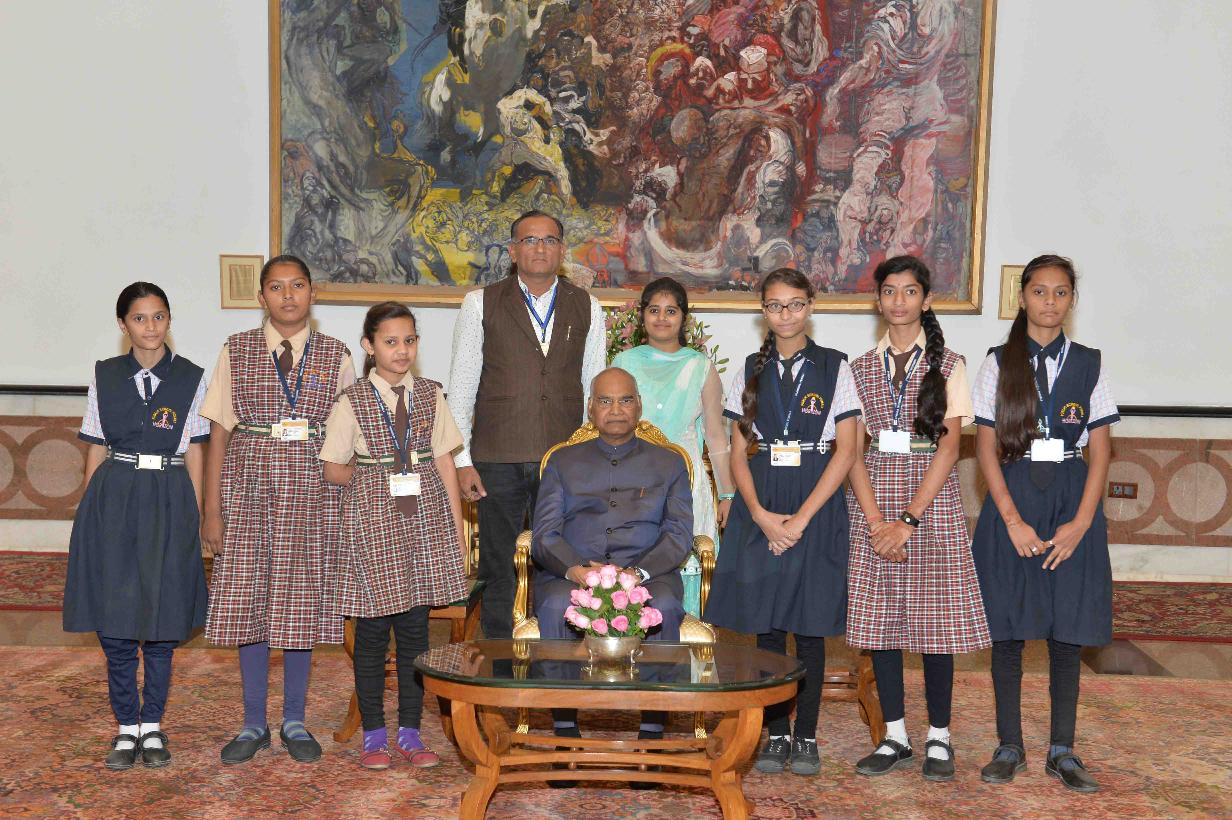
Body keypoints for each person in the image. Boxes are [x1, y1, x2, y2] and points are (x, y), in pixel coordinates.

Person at [200, 254, 356, 765]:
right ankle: (252, 722)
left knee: (299, 601)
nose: (288, 296)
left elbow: (347, 437)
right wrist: (212, 509)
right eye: (276, 287)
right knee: (249, 600)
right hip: (248, 489)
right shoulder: (237, 349)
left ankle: (294, 720)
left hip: (313, 495)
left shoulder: (336, 354)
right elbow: (218, 431)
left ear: (313, 292)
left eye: (298, 285)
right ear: (261, 296)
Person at [704, 268, 861, 777]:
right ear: (763, 312)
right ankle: (775, 733)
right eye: (775, 305)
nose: (786, 314)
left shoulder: (836, 366)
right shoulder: (749, 369)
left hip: (816, 502)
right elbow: (736, 452)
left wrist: (800, 520)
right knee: (767, 627)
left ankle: (807, 733)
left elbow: (847, 451)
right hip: (763, 500)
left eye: (795, 304)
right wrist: (759, 516)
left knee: (809, 627)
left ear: (810, 306)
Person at [970, 255, 1117, 793]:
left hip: (1071, 503)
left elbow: (1101, 451)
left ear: (1071, 300)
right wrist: (1011, 521)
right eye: (1039, 291)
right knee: (1008, 631)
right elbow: (986, 448)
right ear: (1023, 297)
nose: (1049, 301)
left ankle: (1062, 750)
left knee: (1067, 632)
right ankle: (1009, 745)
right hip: (1014, 500)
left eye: (1060, 292)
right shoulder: (997, 362)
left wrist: (1082, 523)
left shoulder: (1090, 363)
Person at [845, 256, 990, 781]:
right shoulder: (859, 367)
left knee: (935, 627)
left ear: (926, 300)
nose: (899, 301)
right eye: (889, 291)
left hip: (929, 505)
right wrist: (875, 521)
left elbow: (949, 450)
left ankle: (939, 737)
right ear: (878, 300)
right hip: (872, 503)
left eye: (909, 291)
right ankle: (895, 736)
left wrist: (906, 521)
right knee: (881, 626)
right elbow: (851, 451)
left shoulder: (950, 364)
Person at [64, 282, 211, 771]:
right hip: (114, 499)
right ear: (123, 324)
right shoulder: (105, 375)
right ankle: (126, 726)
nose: (151, 327)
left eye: (159, 316)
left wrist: (194, 513)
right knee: (116, 616)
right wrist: (88, 513)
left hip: (169, 498)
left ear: (169, 319)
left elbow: (196, 450)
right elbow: (94, 446)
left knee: (163, 619)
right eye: (140, 318)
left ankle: (153, 724)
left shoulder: (191, 377)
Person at [320, 302, 470, 770]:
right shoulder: (352, 401)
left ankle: (410, 731)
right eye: (390, 342)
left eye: (409, 340)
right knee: (371, 634)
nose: (401, 350)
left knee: (415, 632)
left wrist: (456, 530)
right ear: (369, 346)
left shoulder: (430, 394)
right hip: (373, 526)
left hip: (424, 524)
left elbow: (444, 461)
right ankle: (373, 734)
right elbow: (332, 468)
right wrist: (375, 479)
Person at [448, 210, 606, 640]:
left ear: (561, 250)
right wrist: (461, 461)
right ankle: (500, 663)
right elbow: (461, 387)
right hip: (496, 457)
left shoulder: (587, 306)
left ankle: (556, 656)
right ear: (513, 251)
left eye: (549, 240)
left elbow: (596, 390)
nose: (540, 248)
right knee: (498, 567)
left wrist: (592, 458)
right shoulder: (480, 303)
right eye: (530, 240)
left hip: (563, 461)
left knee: (561, 564)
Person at [531, 367, 693, 752]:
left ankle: (651, 731)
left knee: (664, 605)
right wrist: (576, 570)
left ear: (639, 406)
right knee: (554, 605)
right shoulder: (562, 462)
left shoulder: (668, 463)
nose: (616, 409)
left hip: (648, 574)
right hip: (574, 573)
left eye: (625, 400)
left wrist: (638, 573)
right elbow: (545, 534)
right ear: (591, 408)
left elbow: (679, 533)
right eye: (605, 401)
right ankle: (565, 728)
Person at [611, 277, 733, 617]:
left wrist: (727, 495)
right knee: (629, 570)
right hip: (630, 480)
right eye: (654, 310)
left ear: (684, 318)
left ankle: (687, 643)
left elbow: (716, 436)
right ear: (642, 316)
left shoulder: (700, 366)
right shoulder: (624, 363)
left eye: (671, 311)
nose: (661, 318)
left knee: (685, 568)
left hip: (686, 481)